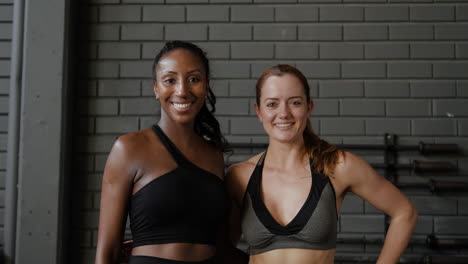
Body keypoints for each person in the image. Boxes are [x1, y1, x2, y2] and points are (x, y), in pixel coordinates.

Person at [226, 64, 418, 264]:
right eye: (272, 104)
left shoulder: (337, 166)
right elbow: (223, 247)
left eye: (295, 102)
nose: (283, 113)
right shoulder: (239, 176)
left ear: (309, 107)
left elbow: (405, 212)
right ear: (259, 111)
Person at [95, 41, 231, 264]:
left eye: (194, 79)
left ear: (206, 87)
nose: (182, 90)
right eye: (170, 80)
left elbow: (223, 247)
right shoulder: (129, 148)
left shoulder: (214, 155)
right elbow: (107, 253)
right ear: (156, 88)